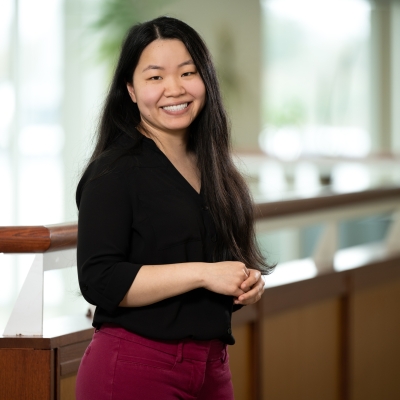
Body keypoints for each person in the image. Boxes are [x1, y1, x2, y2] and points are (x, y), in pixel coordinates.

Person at [75, 16, 273, 400]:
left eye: (188, 72)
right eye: (155, 77)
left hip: (211, 367)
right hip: (135, 366)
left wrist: (244, 281)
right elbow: (99, 279)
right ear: (130, 90)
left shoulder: (213, 166)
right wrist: (203, 274)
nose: (174, 88)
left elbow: (211, 255)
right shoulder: (114, 170)